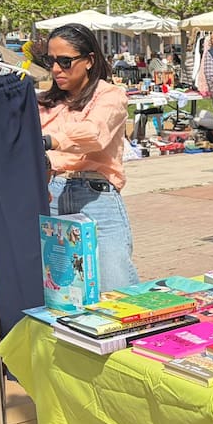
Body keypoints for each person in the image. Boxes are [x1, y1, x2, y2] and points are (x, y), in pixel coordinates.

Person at [38, 23, 139, 293]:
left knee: (115, 285)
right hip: (52, 196)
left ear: (89, 61)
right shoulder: (45, 103)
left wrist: (50, 143)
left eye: (66, 61)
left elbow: (95, 133)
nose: (57, 69)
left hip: (96, 197)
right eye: (51, 61)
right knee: (59, 292)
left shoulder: (109, 96)